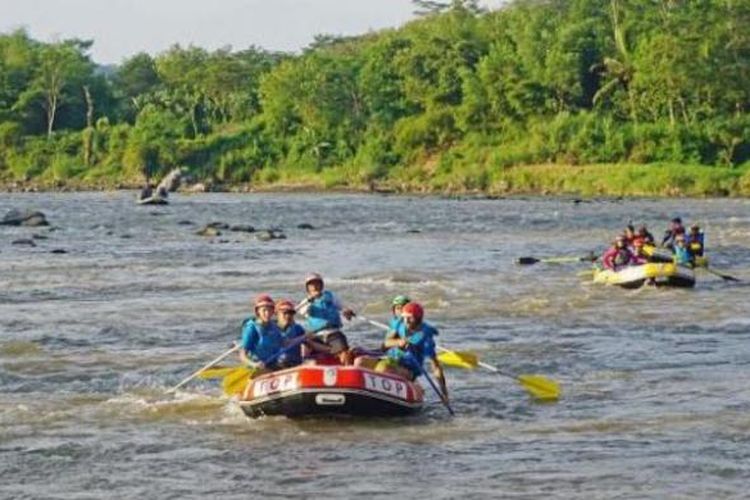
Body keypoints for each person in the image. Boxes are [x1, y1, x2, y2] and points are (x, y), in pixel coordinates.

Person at [379, 302, 448, 401]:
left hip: (409, 369)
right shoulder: (400, 324)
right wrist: (398, 342)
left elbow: (436, 367)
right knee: (360, 361)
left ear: (418, 319)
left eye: (410, 318)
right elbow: (384, 346)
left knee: (384, 369)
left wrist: (444, 393)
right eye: (404, 317)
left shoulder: (425, 338)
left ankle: (413, 386)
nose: (406, 321)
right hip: (392, 360)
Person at [298, 273, 356, 364]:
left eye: (317, 284)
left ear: (321, 285)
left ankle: (347, 369)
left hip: (333, 332)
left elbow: (342, 307)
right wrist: (311, 300)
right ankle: (304, 365)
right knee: (304, 345)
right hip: (316, 335)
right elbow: (303, 311)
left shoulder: (331, 297)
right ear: (308, 288)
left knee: (344, 353)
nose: (315, 287)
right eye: (312, 285)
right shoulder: (305, 302)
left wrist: (346, 311)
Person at [275, 299, 329, 367]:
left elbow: (311, 344)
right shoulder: (271, 329)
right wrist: (303, 337)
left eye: (291, 313)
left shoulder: (297, 328)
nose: (288, 316)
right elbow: (284, 343)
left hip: (295, 363)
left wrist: (330, 350)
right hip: (277, 364)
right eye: (285, 313)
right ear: (277, 314)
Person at [238, 294, 284, 373]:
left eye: (270, 310)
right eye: (264, 310)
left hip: (272, 364)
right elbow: (242, 355)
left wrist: (304, 337)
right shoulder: (251, 328)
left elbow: (284, 343)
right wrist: (254, 364)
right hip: (257, 366)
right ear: (258, 312)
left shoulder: (274, 326)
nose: (267, 313)